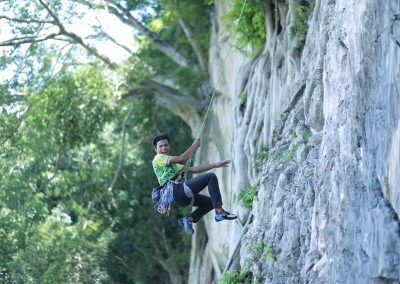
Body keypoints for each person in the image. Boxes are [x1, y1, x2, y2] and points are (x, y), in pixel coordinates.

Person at [152, 134, 237, 235]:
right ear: (155, 149)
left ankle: (188, 219)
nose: (164, 148)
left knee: (210, 203)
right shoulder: (158, 158)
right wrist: (194, 146)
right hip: (177, 190)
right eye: (160, 146)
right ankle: (220, 212)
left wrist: (215, 165)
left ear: (169, 146)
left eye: (165, 145)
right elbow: (182, 159)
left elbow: (193, 169)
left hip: (180, 199)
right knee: (210, 177)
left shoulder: (173, 165)